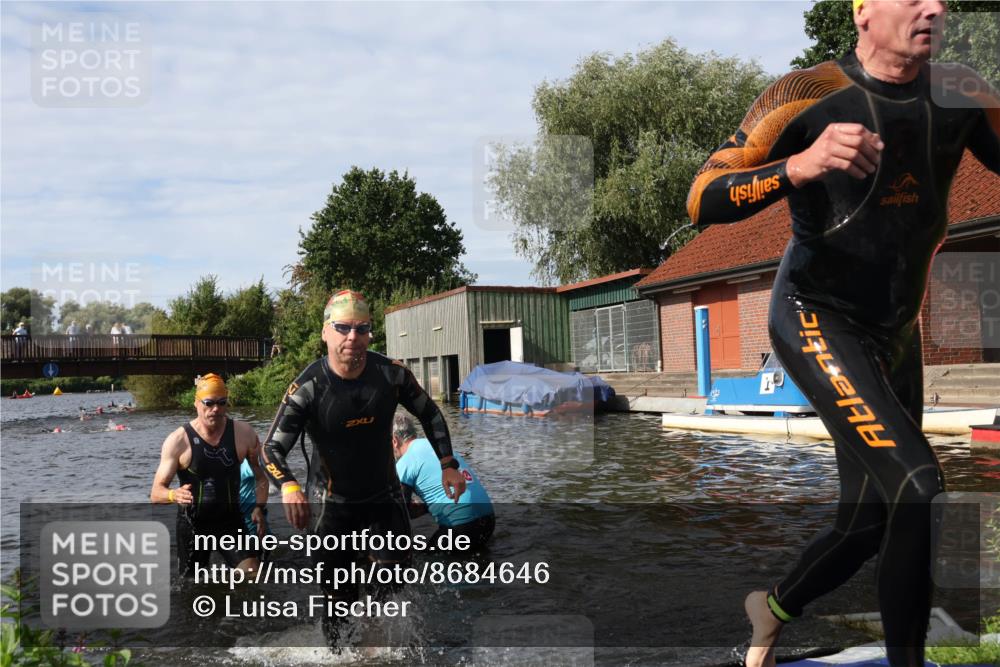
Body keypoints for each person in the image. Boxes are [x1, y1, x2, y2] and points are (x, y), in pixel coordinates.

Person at [685, 2, 999, 666]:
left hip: (895, 334)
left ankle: (768, 610)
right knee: (919, 484)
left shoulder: (962, 90)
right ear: (863, 12)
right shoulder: (804, 93)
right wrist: (794, 168)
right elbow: (703, 195)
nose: (935, 8)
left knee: (866, 525)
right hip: (814, 314)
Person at [260, 289, 465, 651]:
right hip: (331, 510)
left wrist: (448, 465)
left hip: (384, 499)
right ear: (326, 332)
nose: (352, 337)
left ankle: (379, 653)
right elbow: (271, 450)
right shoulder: (307, 388)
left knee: (390, 592)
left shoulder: (390, 374)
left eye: (361, 329)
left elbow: (430, 413)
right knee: (339, 606)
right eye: (342, 328)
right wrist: (289, 487)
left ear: (370, 333)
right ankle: (342, 656)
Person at [150, 373, 268, 577]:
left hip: (230, 522)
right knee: (191, 588)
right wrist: (173, 495)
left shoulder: (243, 433)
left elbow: (260, 477)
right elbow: (155, 492)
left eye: (222, 403)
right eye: (209, 403)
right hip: (193, 524)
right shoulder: (178, 440)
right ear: (196, 404)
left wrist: (259, 508)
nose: (216, 409)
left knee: (253, 574)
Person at [392, 413, 495, 551]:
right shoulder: (442, 450)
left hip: (461, 527)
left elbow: (399, 513)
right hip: (488, 520)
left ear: (394, 441)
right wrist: (426, 508)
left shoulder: (404, 463)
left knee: (425, 561)